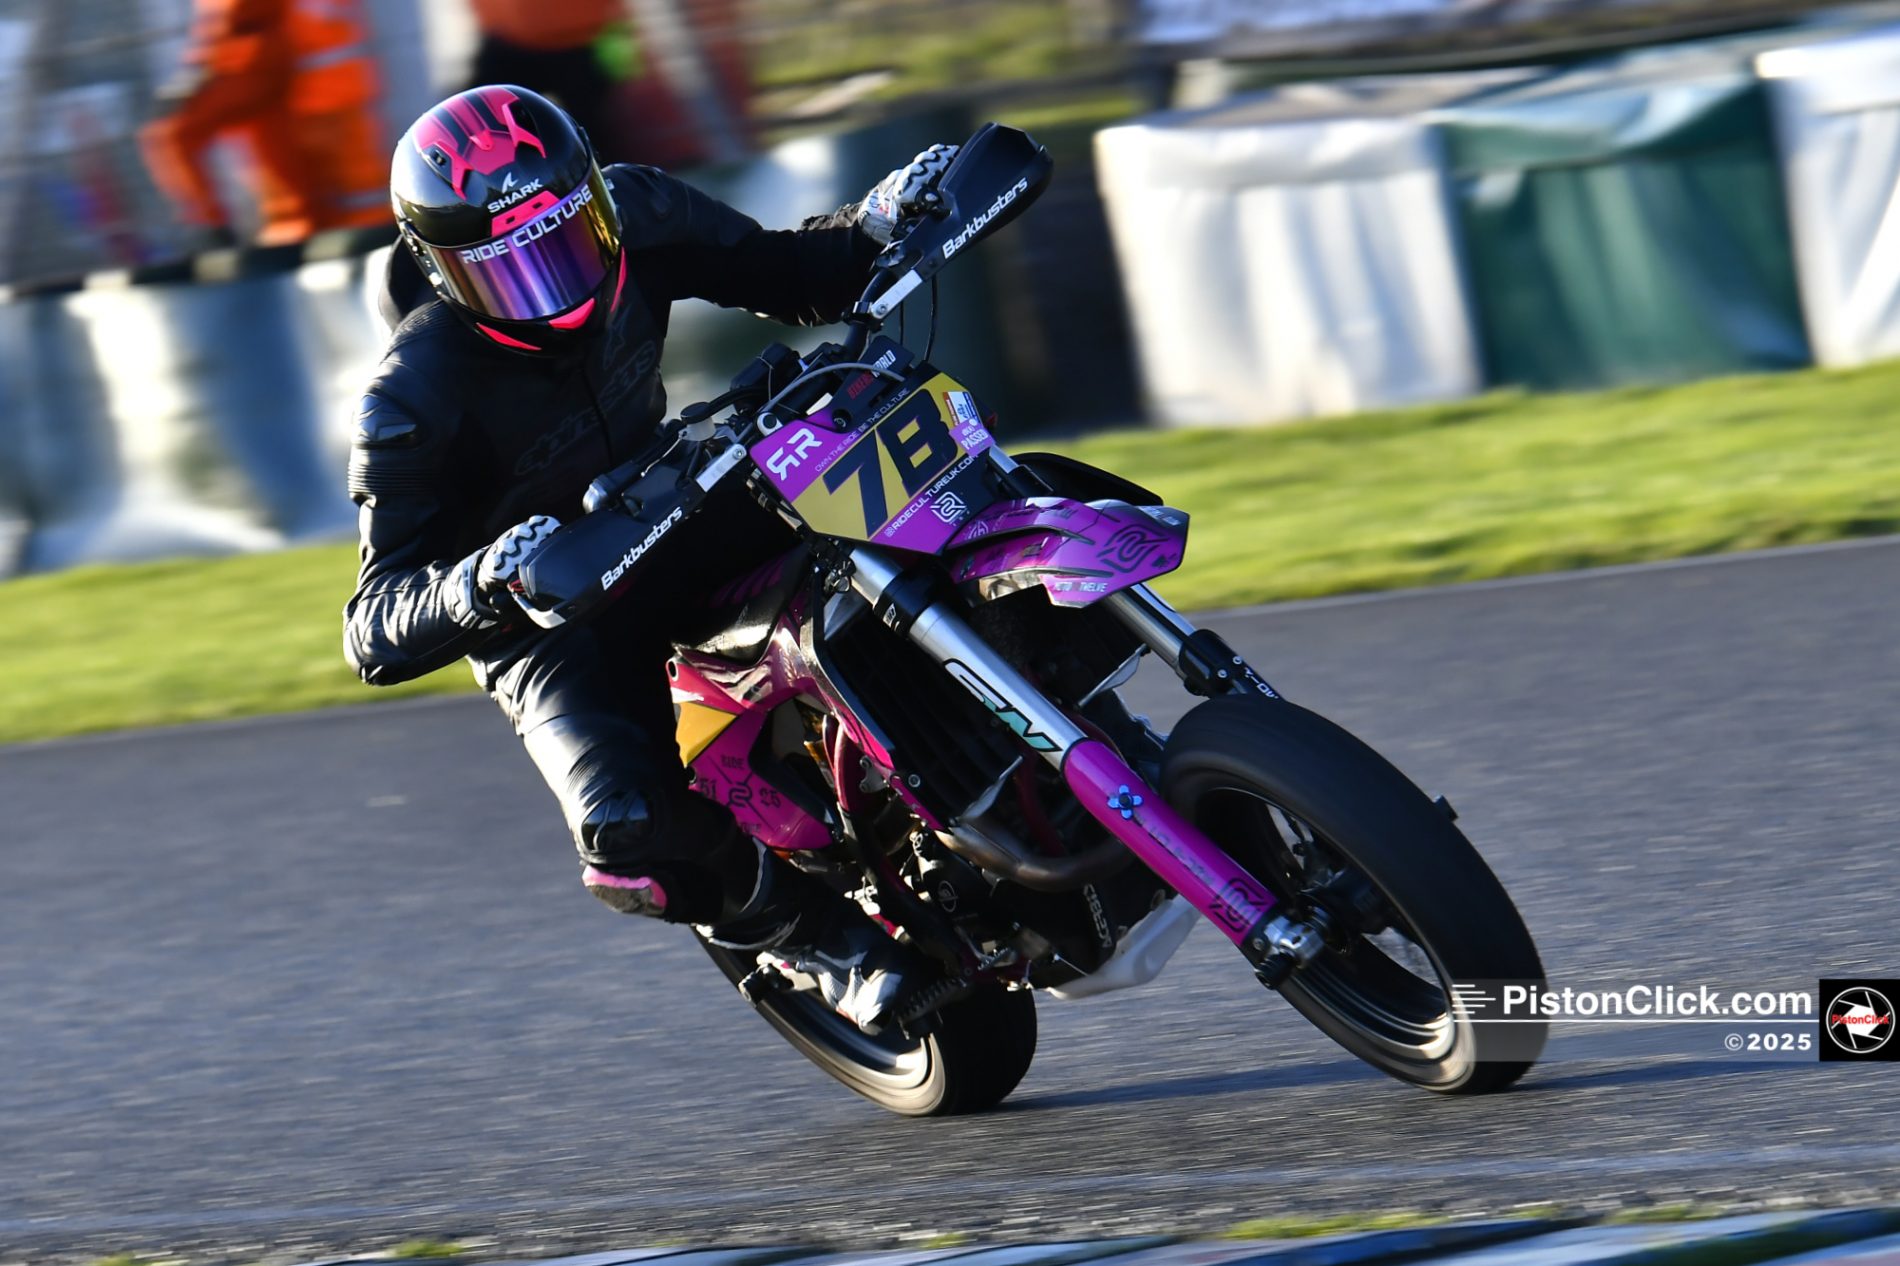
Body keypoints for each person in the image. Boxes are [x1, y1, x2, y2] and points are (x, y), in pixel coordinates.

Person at [343, 84, 957, 1032]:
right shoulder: (412, 396)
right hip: (553, 610)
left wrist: (877, 221)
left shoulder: (642, 211)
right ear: (441, 273)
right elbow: (373, 624)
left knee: (906, 483)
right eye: (510, 268)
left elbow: (787, 273)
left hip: (678, 493)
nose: (554, 283)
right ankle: (820, 939)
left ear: (593, 198)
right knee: (622, 833)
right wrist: (482, 580)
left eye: (566, 239)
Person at [141, 0, 390, 246]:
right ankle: (299, 222)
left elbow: (229, 16)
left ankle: (208, 227)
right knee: (275, 148)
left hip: (251, 53)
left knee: (172, 132)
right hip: (258, 51)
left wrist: (198, 68)